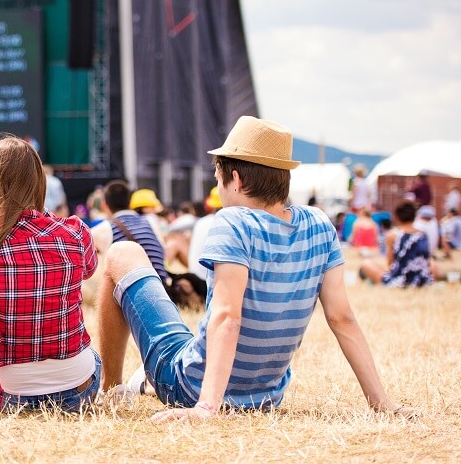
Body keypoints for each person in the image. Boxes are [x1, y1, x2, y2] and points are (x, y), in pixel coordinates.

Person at [97, 116, 415, 420]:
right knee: (185, 338)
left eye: (218, 179)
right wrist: (382, 404)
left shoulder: (233, 221)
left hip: (191, 387)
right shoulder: (319, 224)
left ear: (235, 179)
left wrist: (206, 407)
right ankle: (144, 381)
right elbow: (341, 317)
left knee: (122, 252)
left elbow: (227, 317)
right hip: (265, 397)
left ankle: (111, 390)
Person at [0, 137, 99, 420]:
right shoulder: (75, 232)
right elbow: (88, 270)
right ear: (38, 182)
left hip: (8, 393)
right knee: (92, 355)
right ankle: (117, 386)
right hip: (76, 388)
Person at [359, 201, 433, 287]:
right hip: (423, 279)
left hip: (400, 280)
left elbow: (390, 263)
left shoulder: (393, 235)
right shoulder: (423, 235)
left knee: (366, 263)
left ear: (397, 217)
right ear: (414, 216)